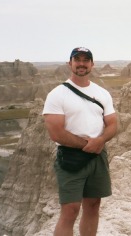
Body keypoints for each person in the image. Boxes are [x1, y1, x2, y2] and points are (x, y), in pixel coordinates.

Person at [43, 47, 117, 236]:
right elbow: (56, 132)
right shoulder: (57, 94)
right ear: (70, 63)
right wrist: (87, 145)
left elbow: (112, 124)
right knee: (70, 210)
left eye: (86, 60)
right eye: (77, 60)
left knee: (93, 205)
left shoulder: (102, 93)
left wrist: (100, 140)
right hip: (71, 157)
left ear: (92, 64)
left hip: (98, 154)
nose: (82, 63)